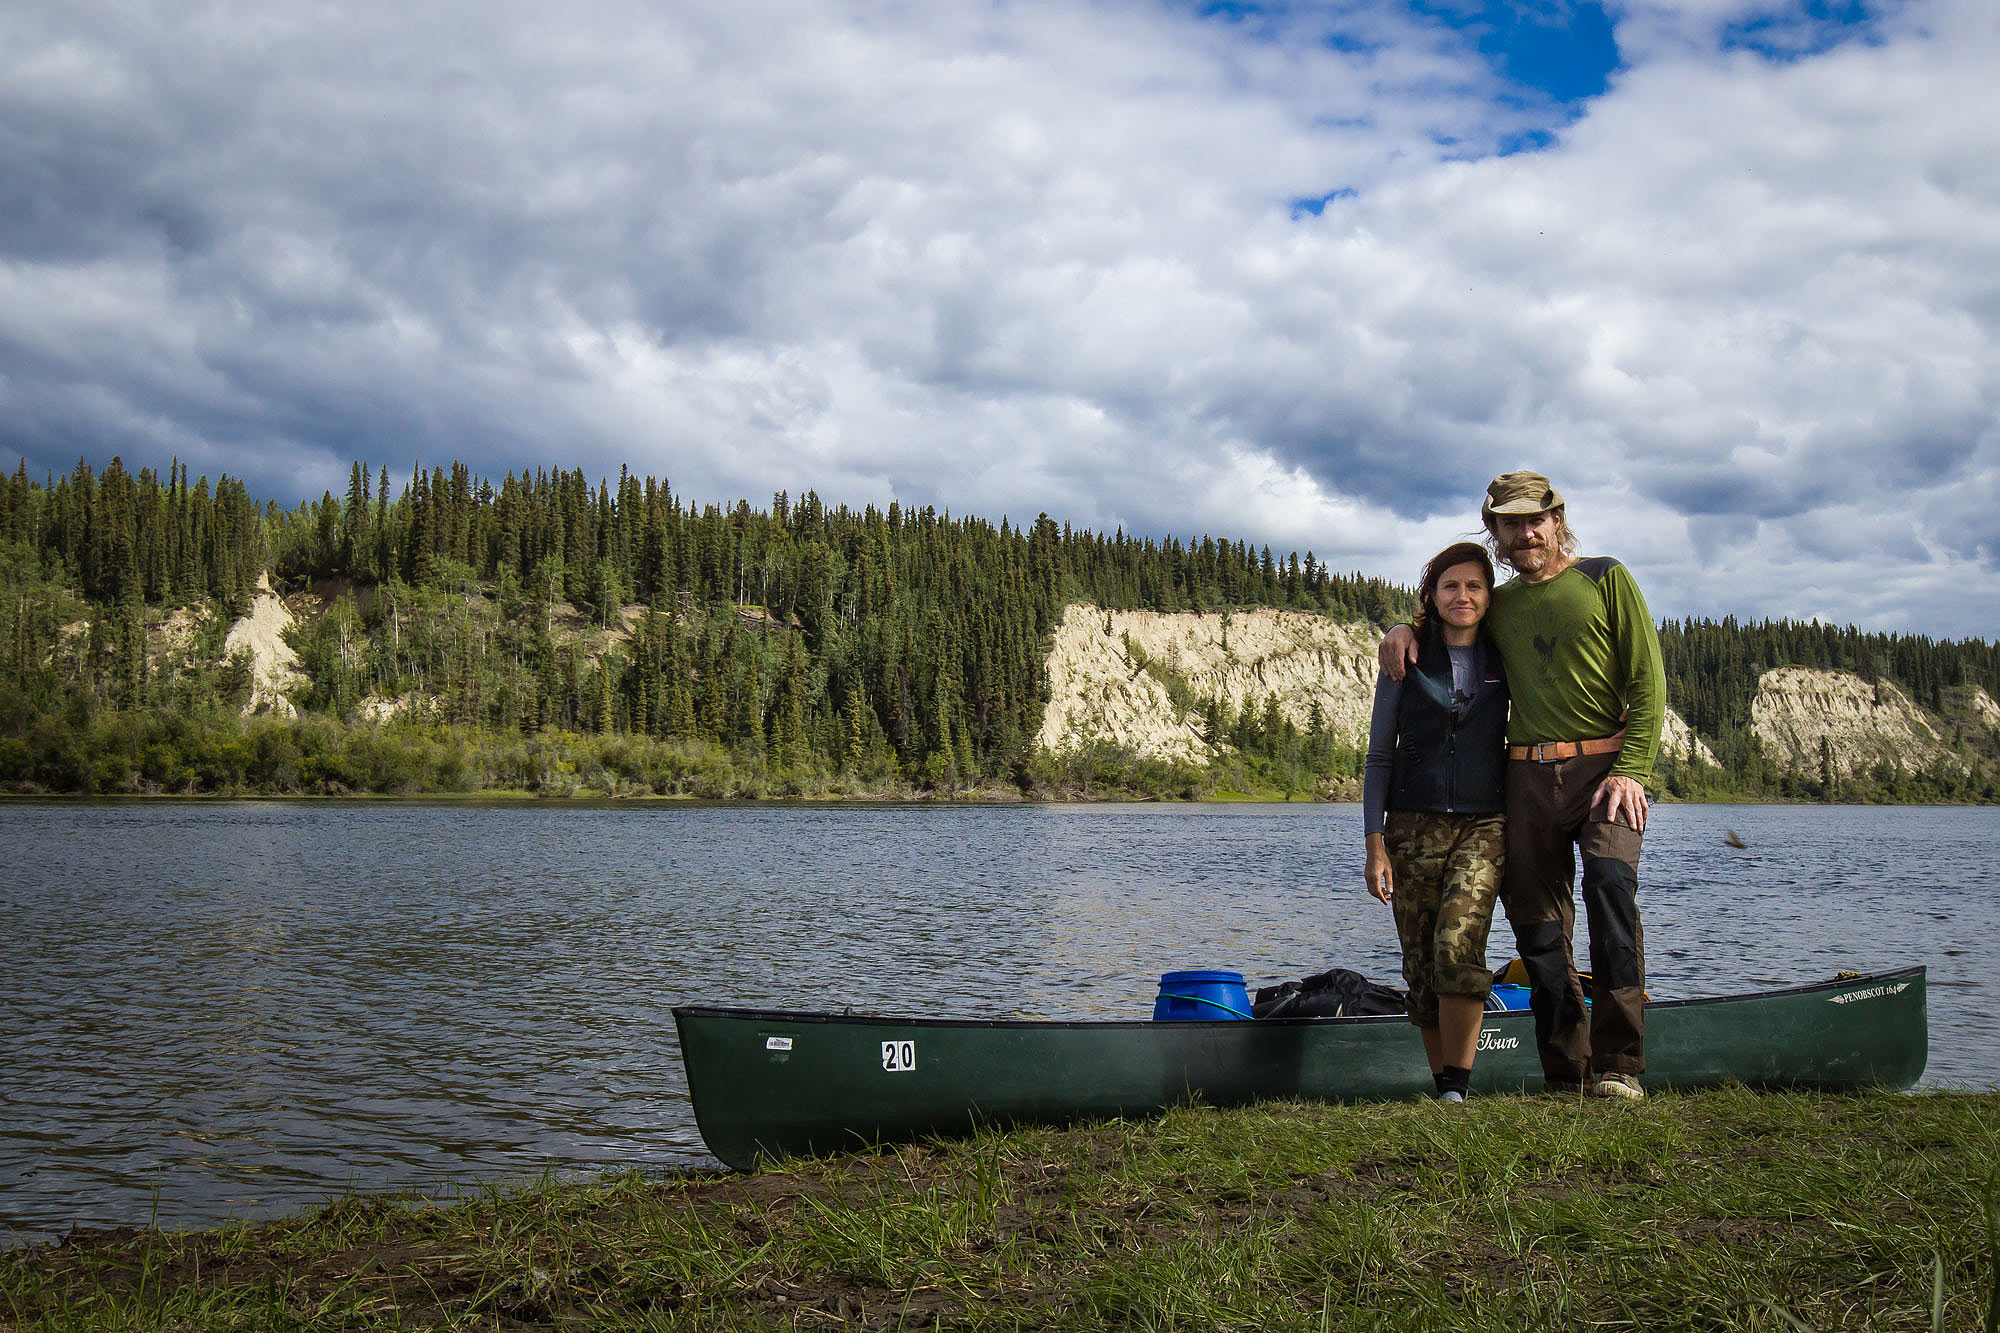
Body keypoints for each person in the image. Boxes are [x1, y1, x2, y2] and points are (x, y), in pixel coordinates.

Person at [1379, 471, 1665, 1100]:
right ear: (1497, 532)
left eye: (1537, 519)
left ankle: (1619, 1065)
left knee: (1610, 886)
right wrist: (1405, 629)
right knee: (1537, 921)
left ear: (1557, 520)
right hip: (1526, 776)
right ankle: (1568, 1071)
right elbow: (1452, 613)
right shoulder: (1500, 604)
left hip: (1605, 770)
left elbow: (1648, 683)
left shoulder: (1605, 579)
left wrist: (1633, 772)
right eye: (1512, 524)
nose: (1527, 533)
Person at [1363, 541, 1508, 1104]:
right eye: (1451, 586)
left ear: (1489, 595)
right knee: (1422, 963)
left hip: (1485, 823)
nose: (1463, 596)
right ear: (1433, 594)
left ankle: (1459, 1088)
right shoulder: (1407, 656)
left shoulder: (1505, 655)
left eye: (1474, 586)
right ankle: (1443, 1087)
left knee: (1457, 944)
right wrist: (1375, 842)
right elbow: (1379, 755)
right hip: (1409, 828)